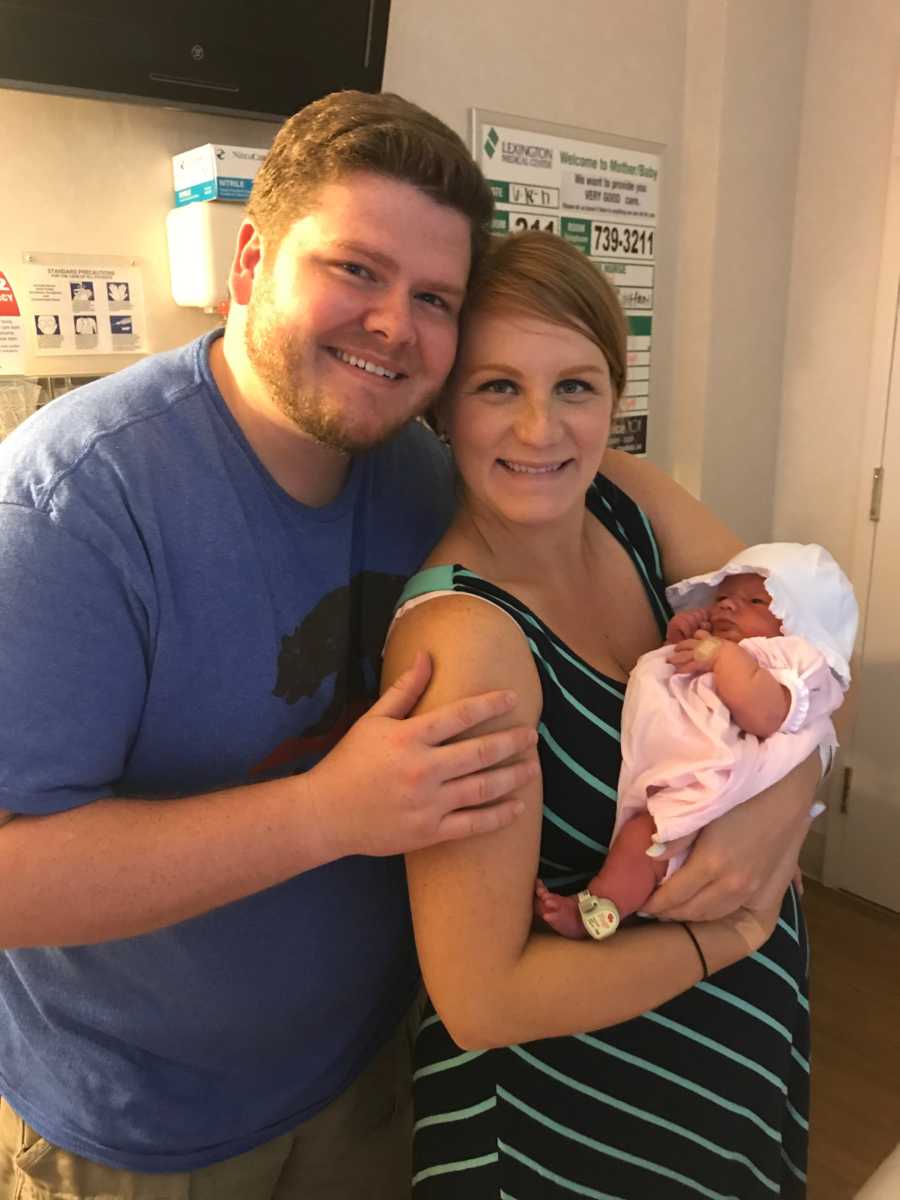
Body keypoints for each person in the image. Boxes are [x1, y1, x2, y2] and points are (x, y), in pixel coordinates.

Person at [0, 91, 545, 1199]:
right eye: (356, 270)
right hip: (143, 1133)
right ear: (250, 264)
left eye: (433, 297)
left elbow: (579, 468)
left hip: (371, 1076)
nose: (395, 324)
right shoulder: (76, 508)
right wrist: (328, 813)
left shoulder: (419, 470)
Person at [382, 231, 822, 1198]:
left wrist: (781, 804)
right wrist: (727, 936)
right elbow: (482, 1000)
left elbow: (812, 639)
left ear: (614, 400)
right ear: (443, 410)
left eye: (575, 387)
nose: (542, 430)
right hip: (578, 1118)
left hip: (730, 1066)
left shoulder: (620, 499)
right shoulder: (467, 639)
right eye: (498, 387)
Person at [537, 542, 858, 940]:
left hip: (732, 792)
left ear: (798, 621)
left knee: (651, 841)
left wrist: (724, 659)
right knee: (641, 839)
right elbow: (675, 685)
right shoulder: (722, 647)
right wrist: (678, 642)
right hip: (692, 786)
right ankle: (601, 907)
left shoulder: (792, 660)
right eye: (723, 597)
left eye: (755, 600)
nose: (727, 606)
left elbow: (767, 714)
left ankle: (604, 911)